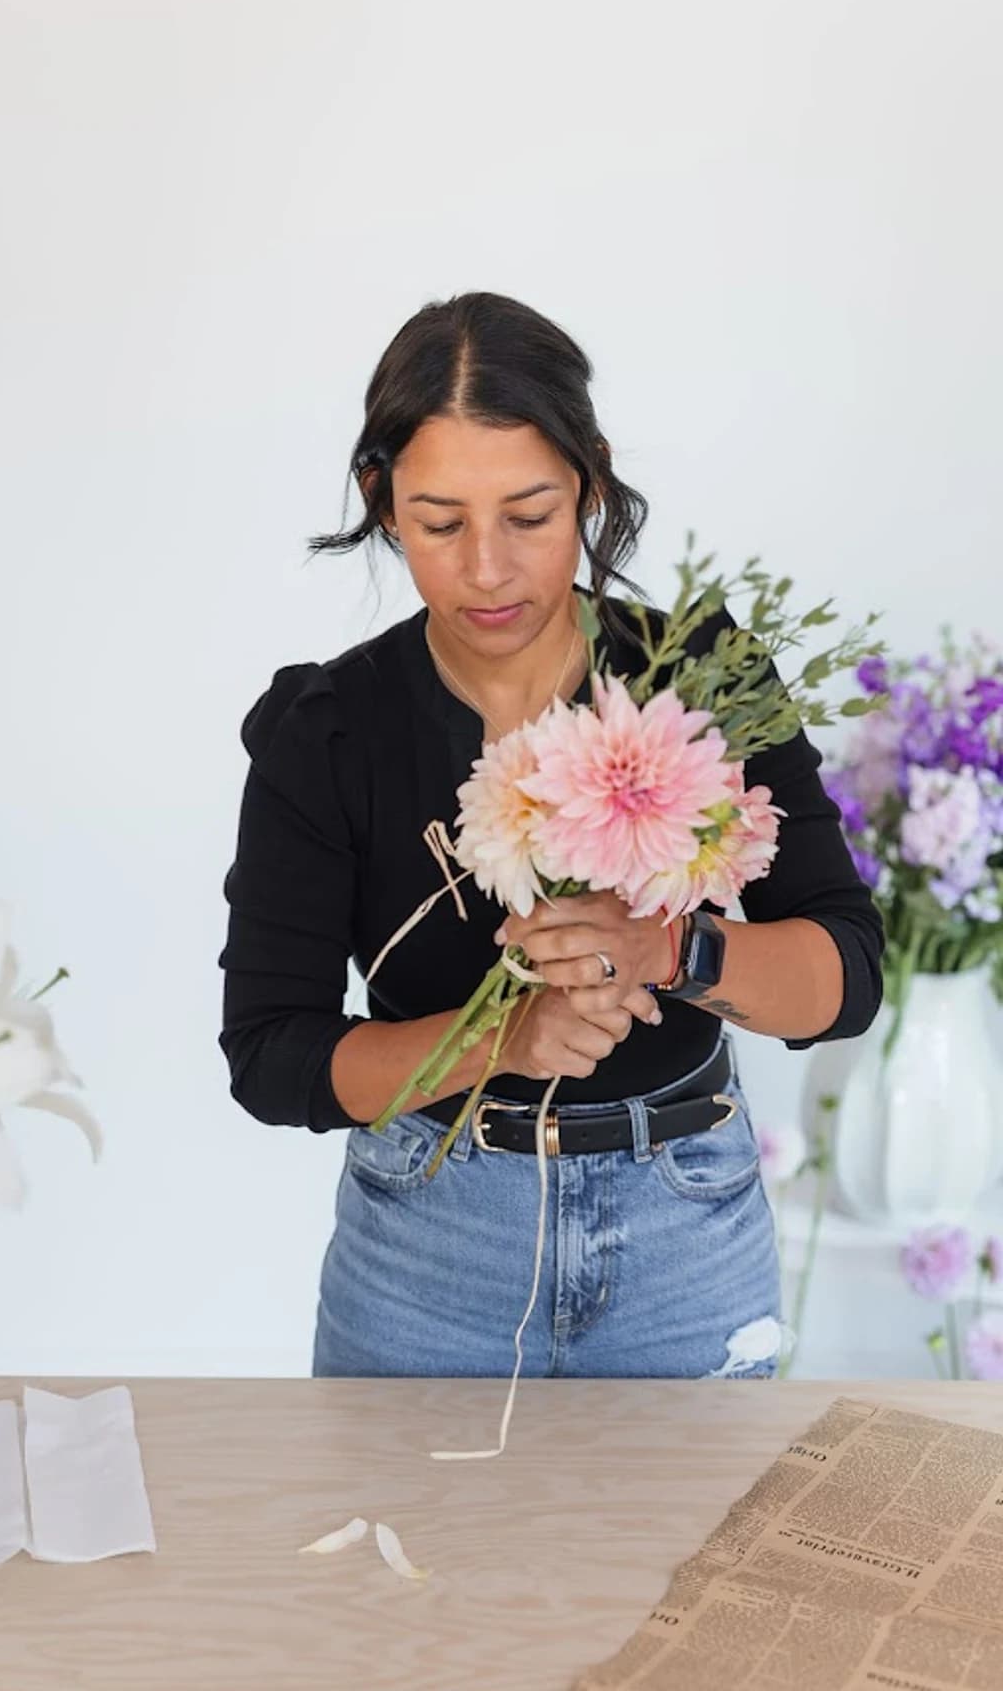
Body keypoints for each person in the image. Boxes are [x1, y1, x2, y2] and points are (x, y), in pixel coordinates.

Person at [218, 290, 884, 1380]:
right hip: (426, 1243)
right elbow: (271, 1057)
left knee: (695, 1550)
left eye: (528, 515)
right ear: (382, 501)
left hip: (685, 1224)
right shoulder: (329, 729)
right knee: (406, 1548)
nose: (487, 568)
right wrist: (503, 1042)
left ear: (591, 481)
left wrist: (674, 948)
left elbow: (845, 979)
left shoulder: (699, 680)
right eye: (440, 521)